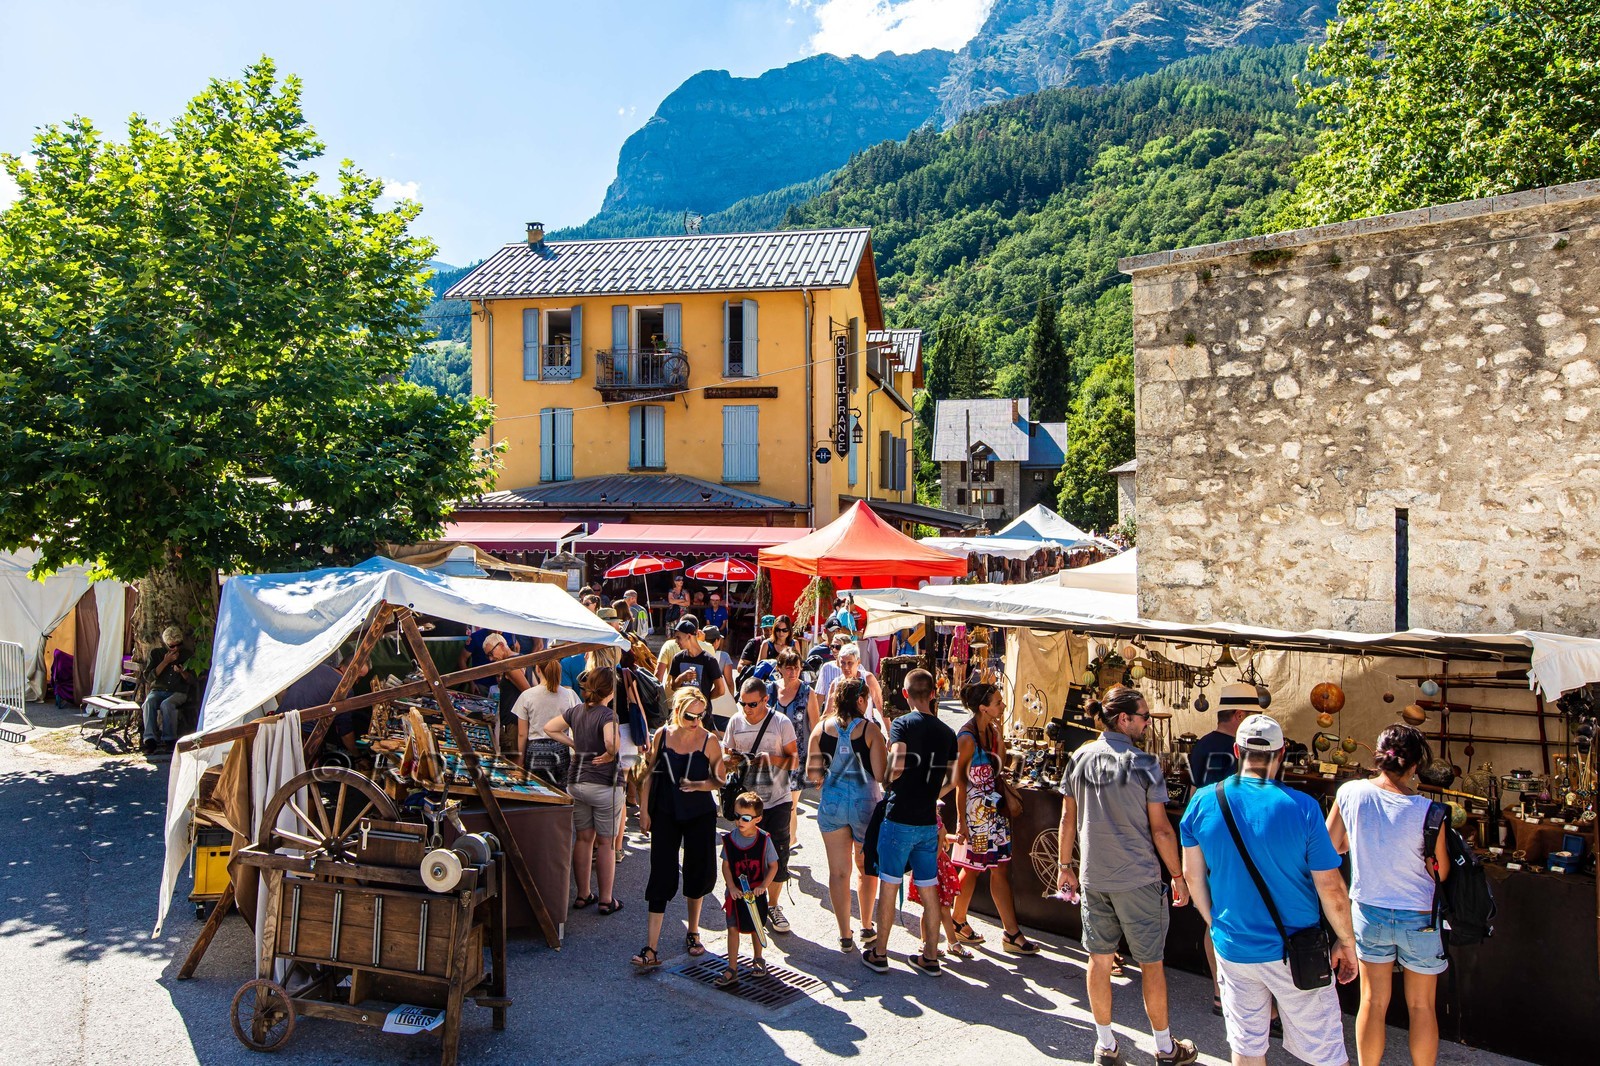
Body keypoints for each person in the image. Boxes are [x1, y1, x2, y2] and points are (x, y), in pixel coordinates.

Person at [1181, 714, 1357, 1066]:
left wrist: (1213, 922)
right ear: (1281, 754)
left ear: (1236, 751)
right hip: (1296, 948)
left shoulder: (1202, 801)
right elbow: (1332, 889)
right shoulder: (1303, 808)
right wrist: (1347, 942)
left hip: (1234, 947)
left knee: (1247, 1048)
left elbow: (1192, 875)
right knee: (1324, 1052)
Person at [1058, 686, 1198, 1066]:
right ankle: (1166, 1047)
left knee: (1099, 960)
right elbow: (1162, 830)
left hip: (1094, 876)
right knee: (1151, 964)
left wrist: (1064, 867)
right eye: (1143, 716)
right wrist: (1178, 876)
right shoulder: (1144, 764)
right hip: (1138, 878)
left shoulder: (1080, 756)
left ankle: (1105, 1044)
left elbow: (1067, 818)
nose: (1147, 721)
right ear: (1124, 719)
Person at [1327, 724, 1450, 1066]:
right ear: (1414, 767)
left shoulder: (1350, 793)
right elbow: (1439, 870)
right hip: (1419, 915)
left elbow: (1329, 846)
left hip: (1369, 911)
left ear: (1378, 758)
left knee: (1372, 1001)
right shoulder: (1428, 810)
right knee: (1422, 1006)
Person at [862, 668, 958, 977]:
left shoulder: (902, 724)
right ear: (934, 694)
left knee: (890, 884)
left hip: (900, 814)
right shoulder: (947, 733)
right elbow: (954, 778)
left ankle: (880, 952)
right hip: (927, 821)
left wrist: (888, 779)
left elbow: (899, 760)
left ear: (905, 694)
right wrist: (933, 793)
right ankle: (930, 955)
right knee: (929, 888)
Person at [633, 687, 724, 970]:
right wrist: (644, 811)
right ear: (677, 711)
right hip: (665, 811)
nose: (696, 721)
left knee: (697, 872)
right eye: (690, 716)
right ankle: (651, 947)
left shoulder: (709, 740)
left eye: (701, 715)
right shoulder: (662, 735)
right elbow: (648, 776)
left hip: (699, 814)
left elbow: (720, 779)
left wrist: (698, 785)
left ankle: (693, 931)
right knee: (661, 873)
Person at [950, 682, 1039, 955]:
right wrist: (961, 823)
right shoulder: (966, 738)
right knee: (975, 868)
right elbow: (959, 783)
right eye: (998, 702)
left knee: (998, 868)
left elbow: (999, 764)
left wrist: (999, 740)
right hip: (976, 815)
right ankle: (958, 920)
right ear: (983, 708)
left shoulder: (990, 730)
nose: (1002, 706)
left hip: (993, 811)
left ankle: (1008, 932)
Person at [808, 675, 885, 951]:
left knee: (838, 872)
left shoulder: (820, 730)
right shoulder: (870, 730)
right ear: (861, 700)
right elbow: (880, 774)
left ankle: (844, 933)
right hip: (866, 804)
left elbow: (812, 774)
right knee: (866, 869)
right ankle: (866, 926)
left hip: (833, 804)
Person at [723, 677, 799, 934]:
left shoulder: (781, 723)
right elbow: (726, 755)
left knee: (777, 856)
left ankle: (773, 906)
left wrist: (772, 759)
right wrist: (731, 759)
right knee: (746, 857)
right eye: (742, 703)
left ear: (766, 700)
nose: (747, 709)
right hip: (747, 803)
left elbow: (795, 761)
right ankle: (751, 904)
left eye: (752, 704)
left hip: (778, 799)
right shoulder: (736, 722)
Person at [545, 668, 624, 915]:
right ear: (610, 691)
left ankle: (582, 895)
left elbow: (549, 728)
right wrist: (610, 753)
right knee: (606, 844)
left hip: (577, 782)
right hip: (604, 785)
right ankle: (606, 900)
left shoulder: (576, 711)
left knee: (583, 839)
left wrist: (574, 744)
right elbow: (611, 743)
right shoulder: (608, 715)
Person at [715, 791, 780, 988]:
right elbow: (726, 866)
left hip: (756, 893)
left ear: (757, 819)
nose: (739, 821)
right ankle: (732, 968)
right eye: (736, 816)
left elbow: (774, 865)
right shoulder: (729, 839)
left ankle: (758, 958)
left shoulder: (764, 840)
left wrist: (763, 886)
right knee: (732, 928)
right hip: (735, 895)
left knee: (756, 928)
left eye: (745, 818)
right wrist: (731, 887)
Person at [770, 648, 819, 852]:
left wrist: (817, 762)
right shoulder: (769, 690)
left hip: (797, 757)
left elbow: (816, 727)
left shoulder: (808, 692)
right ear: (780, 668)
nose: (793, 672)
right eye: (789, 668)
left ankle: (786, 845)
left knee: (789, 802)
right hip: (772, 756)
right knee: (773, 802)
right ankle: (781, 840)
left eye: (797, 668)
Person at [512, 657, 580, 778]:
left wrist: (520, 759)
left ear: (537, 669)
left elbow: (522, 733)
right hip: (561, 748)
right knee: (561, 790)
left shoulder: (527, 696)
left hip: (536, 750)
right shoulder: (569, 695)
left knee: (536, 789)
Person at [1188, 683, 1258, 787]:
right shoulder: (1239, 750)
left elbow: (1193, 789)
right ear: (1240, 715)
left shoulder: (1202, 743)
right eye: (1255, 716)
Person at [141, 625, 195, 754]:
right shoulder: (156, 654)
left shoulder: (187, 655)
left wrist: (182, 672)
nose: (175, 648)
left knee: (167, 704)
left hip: (178, 691)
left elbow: (192, 680)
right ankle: (150, 739)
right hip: (158, 689)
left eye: (178, 645)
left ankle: (169, 739)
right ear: (166, 645)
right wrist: (165, 662)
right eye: (172, 646)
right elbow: (149, 677)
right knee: (148, 703)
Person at [666, 616, 727, 724]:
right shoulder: (678, 659)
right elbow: (673, 686)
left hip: (702, 715)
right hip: (681, 713)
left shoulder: (708, 660)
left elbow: (721, 689)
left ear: (689, 636)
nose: (676, 641)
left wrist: (704, 698)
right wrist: (681, 678)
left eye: (678, 638)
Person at [482, 632, 532, 755]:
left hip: (513, 724)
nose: (491, 659)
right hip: (516, 721)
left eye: (491, 654)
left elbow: (528, 692)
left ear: (501, 645)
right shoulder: (519, 658)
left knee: (513, 764)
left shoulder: (510, 665)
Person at [818, 642, 885, 724]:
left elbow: (881, 707)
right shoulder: (835, 684)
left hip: (865, 729)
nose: (846, 667)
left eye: (850, 663)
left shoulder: (868, 679)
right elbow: (828, 713)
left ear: (858, 662)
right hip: (843, 730)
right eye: (843, 663)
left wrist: (889, 733)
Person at [704, 626, 735, 694]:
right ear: (716, 641)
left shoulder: (696, 654)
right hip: (717, 696)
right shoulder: (724, 656)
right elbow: (729, 683)